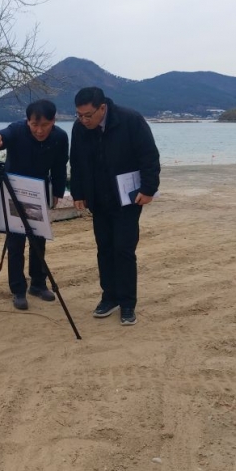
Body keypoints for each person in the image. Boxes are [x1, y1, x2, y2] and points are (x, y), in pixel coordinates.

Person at [69, 86, 160, 325]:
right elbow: (76, 162)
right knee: (104, 248)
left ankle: (127, 303)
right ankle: (109, 297)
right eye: (79, 115)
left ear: (102, 108)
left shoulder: (130, 120)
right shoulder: (79, 128)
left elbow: (149, 156)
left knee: (123, 249)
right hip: (98, 198)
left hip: (128, 198)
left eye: (88, 115)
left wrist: (148, 189)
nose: (84, 120)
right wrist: (78, 192)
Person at [0, 99, 69, 310]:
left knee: (39, 240)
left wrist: (57, 192)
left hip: (39, 192)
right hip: (13, 192)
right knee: (16, 243)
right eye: (34, 125)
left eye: (45, 125)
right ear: (27, 121)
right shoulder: (17, 130)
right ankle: (18, 289)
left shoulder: (60, 137)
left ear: (53, 121)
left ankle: (38, 283)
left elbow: (60, 167)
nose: (39, 130)